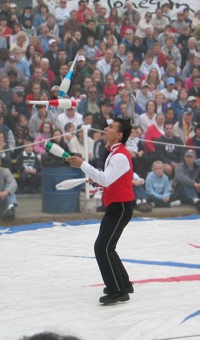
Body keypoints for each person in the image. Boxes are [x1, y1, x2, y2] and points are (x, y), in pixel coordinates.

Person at [66, 118, 134, 305]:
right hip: (118, 206)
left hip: (119, 207)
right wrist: (96, 179)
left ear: (119, 135)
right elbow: (109, 180)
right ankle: (124, 284)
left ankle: (117, 291)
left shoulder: (119, 155)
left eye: (111, 127)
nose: (105, 128)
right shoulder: (115, 153)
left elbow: (105, 179)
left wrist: (82, 164)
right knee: (107, 247)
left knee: (102, 248)